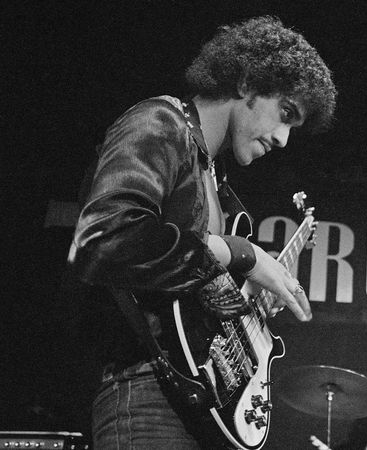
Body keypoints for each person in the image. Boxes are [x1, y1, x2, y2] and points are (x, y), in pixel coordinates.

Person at [68, 16, 336, 449]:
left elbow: (192, 298)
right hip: (146, 394)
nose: (285, 138)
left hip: (199, 408)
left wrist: (254, 307)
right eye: (285, 113)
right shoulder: (159, 122)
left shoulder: (219, 185)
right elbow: (106, 241)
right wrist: (241, 254)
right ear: (248, 82)